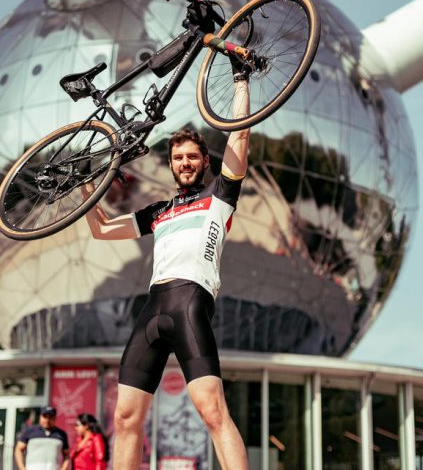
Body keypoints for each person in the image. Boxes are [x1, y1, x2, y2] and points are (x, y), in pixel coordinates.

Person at [82, 63, 251, 469]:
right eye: (178, 157)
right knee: (125, 418)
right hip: (152, 308)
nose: (185, 162)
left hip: (190, 303)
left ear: (204, 161)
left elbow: (241, 134)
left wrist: (241, 80)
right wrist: (84, 183)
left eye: (192, 156)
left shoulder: (220, 196)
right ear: (171, 164)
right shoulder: (159, 211)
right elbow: (102, 229)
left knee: (212, 412)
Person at [14, 405, 69, 470]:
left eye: (50, 417)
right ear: (40, 417)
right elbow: (19, 449)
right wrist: (22, 468)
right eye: (45, 416)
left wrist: (64, 468)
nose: (47, 420)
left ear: (55, 418)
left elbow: (66, 455)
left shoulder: (61, 434)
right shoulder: (30, 431)